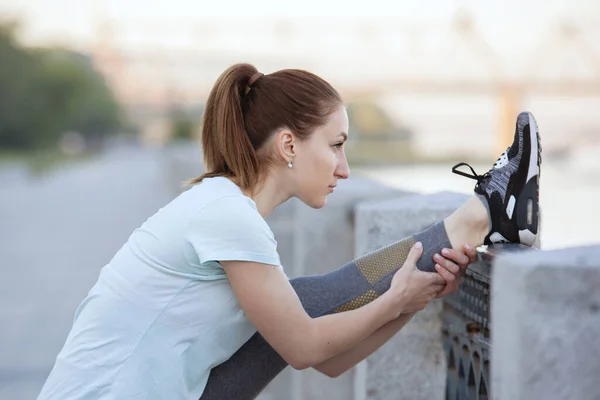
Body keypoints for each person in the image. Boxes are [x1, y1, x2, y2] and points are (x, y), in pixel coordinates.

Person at [37, 63, 541, 400]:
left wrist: (413, 299)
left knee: (293, 304)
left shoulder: (222, 205)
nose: (344, 168)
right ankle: (481, 215)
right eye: (336, 144)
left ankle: (478, 217)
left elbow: (330, 361)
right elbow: (306, 348)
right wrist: (394, 299)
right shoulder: (226, 216)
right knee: (297, 310)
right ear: (289, 146)